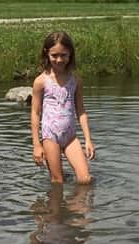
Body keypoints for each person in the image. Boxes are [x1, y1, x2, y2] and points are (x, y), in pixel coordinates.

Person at [30, 31, 94, 184]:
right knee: (57, 182)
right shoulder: (41, 81)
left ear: (70, 54)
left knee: (85, 180)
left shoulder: (75, 80)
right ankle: (56, 207)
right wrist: (36, 145)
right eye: (54, 55)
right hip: (50, 136)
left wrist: (88, 140)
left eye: (63, 55)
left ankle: (77, 206)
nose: (59, 60)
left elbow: (81, 111)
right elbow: (35, 112)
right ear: (47, 54)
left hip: (70, 136)